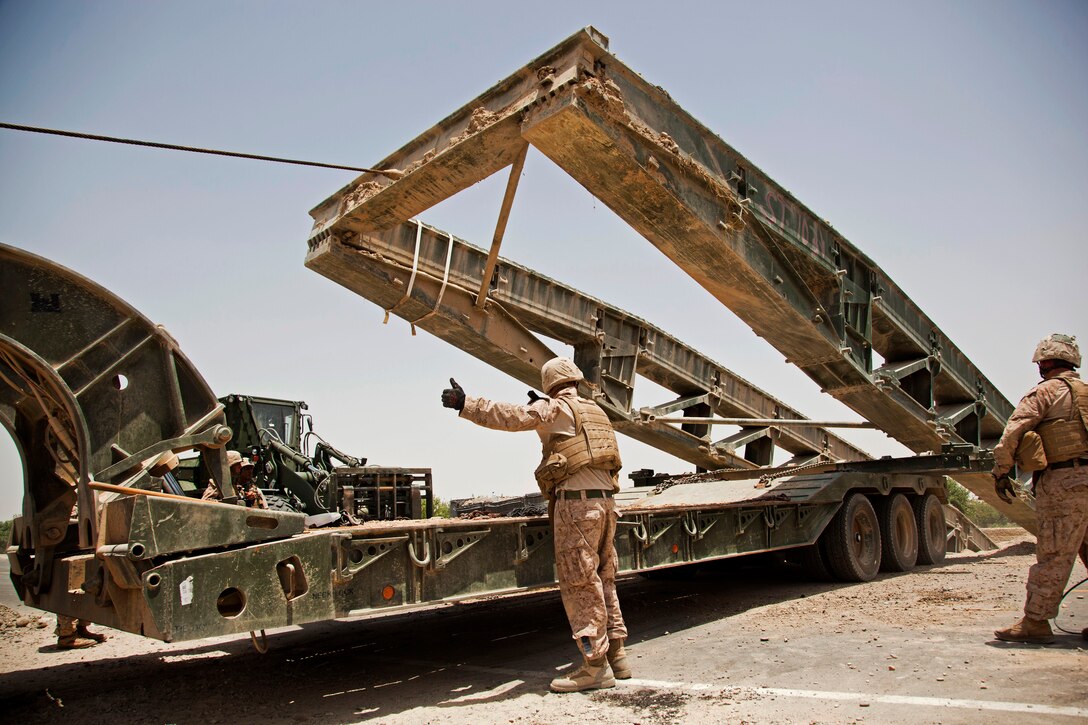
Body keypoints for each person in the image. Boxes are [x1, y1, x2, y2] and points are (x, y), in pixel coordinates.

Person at [441, 357, 629, 692]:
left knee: (580, 584)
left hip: (577, 507)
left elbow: (512, 417)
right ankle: (618, 657)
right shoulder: (595, 411)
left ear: (550, 385)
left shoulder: (555, 408)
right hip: (607, 503)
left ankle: (595, 668)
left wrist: (467, 404)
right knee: (605, 578)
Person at [991, 333, 1088, 644]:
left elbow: (1012, 434)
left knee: (1054, 554)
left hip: (1065, 483)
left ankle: (1036, 622)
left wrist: (1001, 472)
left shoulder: (1044, 394)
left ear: (1043, 364)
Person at [202, 450, 266, 508]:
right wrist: (227, 504)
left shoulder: (233, 481)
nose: (240, 466)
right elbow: (205, 502)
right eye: (237, 464)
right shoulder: (218, 482)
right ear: (230, 465)